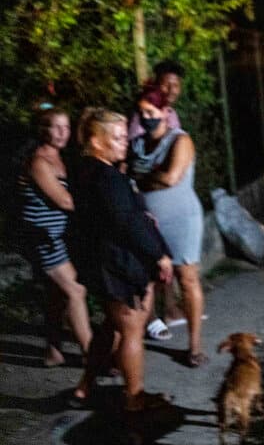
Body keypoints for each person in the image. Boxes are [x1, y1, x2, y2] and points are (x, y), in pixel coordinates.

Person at [70, 107, 174, 411]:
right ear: (96, 141)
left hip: (99, 261)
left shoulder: (85, 170)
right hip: (118, 264)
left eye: (123, 136)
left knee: (111, 326)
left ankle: (85, 386)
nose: (124, 142)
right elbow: (128, 222)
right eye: (116, 138)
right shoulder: (108, 178)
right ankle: (134, 403)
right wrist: (159, 255)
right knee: (131, 330)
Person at [128, 85, 208, 368]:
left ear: (165, 112)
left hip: (181, 219)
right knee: (145, 281)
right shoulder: (138, 144)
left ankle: (194, 347)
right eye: (141, 113)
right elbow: (129, 176)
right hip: (149, 223)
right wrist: (145, 177)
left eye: (151, 112)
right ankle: (132, 342)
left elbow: (171, 178)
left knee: (186, 278)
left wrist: (142, 179)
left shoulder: (180, 140)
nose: (146, 117)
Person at [14, 105, 92, 367]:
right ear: (42, 129)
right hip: (43, 237)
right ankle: (92, 356)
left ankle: (53, 351)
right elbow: (65, 201)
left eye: (66, 127)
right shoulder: (39, 162)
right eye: (56, 127)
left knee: (58, 295)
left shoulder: (61, 157)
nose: (62, 133)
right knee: (76, 290)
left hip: (58, 236)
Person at [128, 60, 186, 337]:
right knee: (151, 261)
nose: (172, 89)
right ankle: (150, 320)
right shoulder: (143, 115)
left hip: (168, 201)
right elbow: (135, 162)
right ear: (156, 82)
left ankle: (171, 311)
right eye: (167, 83)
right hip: (145, 200)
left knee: (167, 260)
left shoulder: (172, 115)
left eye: (176, 84)